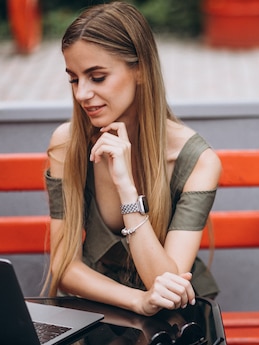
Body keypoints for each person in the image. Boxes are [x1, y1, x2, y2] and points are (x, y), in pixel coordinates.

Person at [43, 1, 221, 318]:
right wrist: (136, 301)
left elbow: (166, 285)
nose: (81, 93)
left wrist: (126, 187)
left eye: (97, 77)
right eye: (74, 79)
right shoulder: (68, 144)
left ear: (139, 72)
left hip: (176, 319)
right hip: (99, 304)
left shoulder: (196, 160)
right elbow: (64, 265)